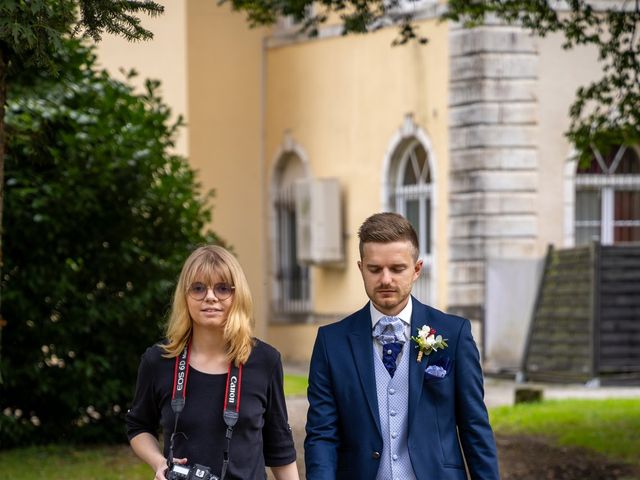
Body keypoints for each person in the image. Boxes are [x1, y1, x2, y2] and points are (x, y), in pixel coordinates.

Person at [304, 212, 499, 480]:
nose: (385, 280)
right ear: (361, 269)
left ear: (416, 269)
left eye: (397, 269)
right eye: (375, 269)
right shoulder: (331, 342)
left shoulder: (454, 334)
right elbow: (322, 434)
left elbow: (474, 426)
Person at [126, 245, 299, 480]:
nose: (210, 297)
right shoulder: (158, 360)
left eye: (222, 288)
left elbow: (280, 446)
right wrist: (159, 463)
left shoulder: (265, 360)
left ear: (237, 295)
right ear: (184, 296)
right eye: (198, 288)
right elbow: (138, 426)